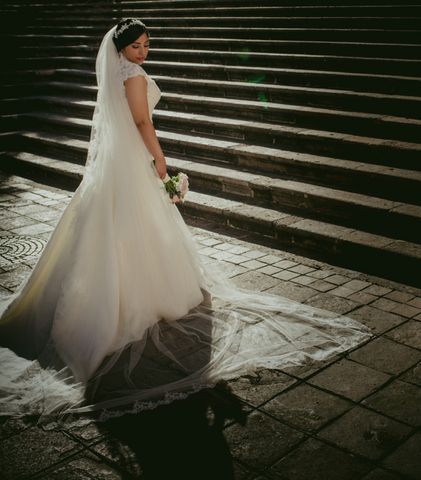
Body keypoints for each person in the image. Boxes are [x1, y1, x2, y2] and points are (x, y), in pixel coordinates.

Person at [0, 19, 371, 427]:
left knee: (102, 228)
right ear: (122, 48)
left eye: (147, 45)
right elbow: (143, 123)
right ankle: (137, 297)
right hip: (133, 161)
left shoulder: (115, 73)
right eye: (138, 46)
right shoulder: (135, 75)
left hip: (112, 166)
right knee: (138, 227)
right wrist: (161, 162)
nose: (144, 52)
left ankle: (86, 296)